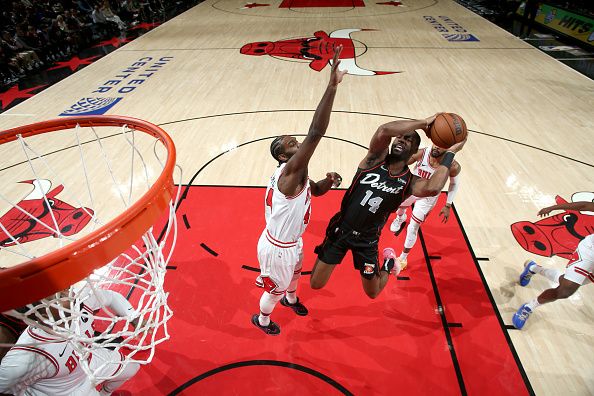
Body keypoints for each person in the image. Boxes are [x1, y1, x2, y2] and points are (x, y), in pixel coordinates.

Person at [310, 116, 466, 299]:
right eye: (400, 136)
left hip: (367, 240)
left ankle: (389, 263)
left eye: (408, 139)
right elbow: (383, 130)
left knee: (372, 292)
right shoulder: (374, 159)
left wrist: (451, 152)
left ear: (415, 151)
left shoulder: (410, 182)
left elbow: (433, 188)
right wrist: (424, 123)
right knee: (316, 284)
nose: (401, 139)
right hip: (341, 229)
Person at [252, 45, 347, 336]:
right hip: (277, 247)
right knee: (275, 291)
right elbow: (316, 133)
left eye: (296, 142)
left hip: (291, 242)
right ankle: (262, 319)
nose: (298, 145)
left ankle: (292, 299)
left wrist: (329, 182)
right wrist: (331, 86)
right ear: (283, 157)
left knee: (295, 277)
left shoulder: (296, 175)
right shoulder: (289, 173)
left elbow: (314, 191)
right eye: (291, 144)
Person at [0, 287, 141, 395]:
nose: (69, 294)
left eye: (66, 288)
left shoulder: (81, 299)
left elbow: (111, 297)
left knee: (133, 368)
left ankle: (105, 393)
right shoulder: (25, 357)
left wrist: (134, 318)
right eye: (59, 296)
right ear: (43, 315)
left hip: (90, 361)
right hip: (67, 391)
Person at [513, 200, 594, 329]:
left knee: (565, 283)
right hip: (590, 252)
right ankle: (529, 307)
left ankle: (533, 268)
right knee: (565, 291)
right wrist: (553, 207)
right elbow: (585, 206)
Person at [388, 144, 461, 270]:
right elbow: (402, 165)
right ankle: (401, 217)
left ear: (448, 149)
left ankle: (403, 258)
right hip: (414, 188)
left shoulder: (453, 166)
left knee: (413, 227)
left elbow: (454, 184)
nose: (436, 148)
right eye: (435, 144)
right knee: (399, 208)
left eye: (441, 146)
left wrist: (448, 205)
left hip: (428, 198)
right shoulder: (422, 153)